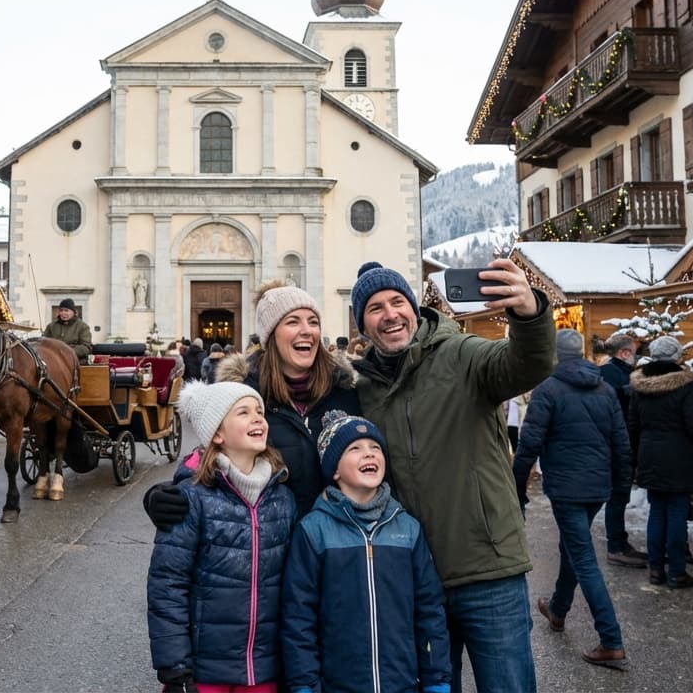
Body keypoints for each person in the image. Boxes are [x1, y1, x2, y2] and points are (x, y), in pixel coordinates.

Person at [349, 258, 555, 692]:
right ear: (362, 326)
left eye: (397, 301)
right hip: (417, 578)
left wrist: (529, 313)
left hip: (487, 568)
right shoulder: (363, 390)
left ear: (414, 308)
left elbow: (525, 363)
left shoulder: (461, 354)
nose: (390, 315)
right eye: (375, 308)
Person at [146, 281, 360, 523]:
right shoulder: (243, 394)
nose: (307, 330)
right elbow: (212, 456)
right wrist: (165, 494)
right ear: (270, 336)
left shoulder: (345, 390)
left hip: (335, 544)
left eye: (313, 321)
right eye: (293, 321)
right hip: (270, 546)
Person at [281, 412, 452, 693]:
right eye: (355, 448)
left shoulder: (408, 529)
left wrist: (437, 679)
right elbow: (299, 617)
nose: (369, 454)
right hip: (340, 684)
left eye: (375, 448)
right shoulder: (313, 531)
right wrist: (304, 684)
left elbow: (429, 609)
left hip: (402, 683)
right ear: (334, 469)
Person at [146, 381, 296, 693]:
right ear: (217, 433)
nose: (258, 418)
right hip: (206, 667)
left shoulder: (282, 497)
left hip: (262, 667)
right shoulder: (192, 498)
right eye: (243, 412)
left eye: (259, 411)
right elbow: (168, 584)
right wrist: (174, 666)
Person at [513, 329, 632, 672]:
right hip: (596, 487)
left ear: (555, 355)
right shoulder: (605, 389)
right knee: (572, 547)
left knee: (582, 556)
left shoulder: (547, 390)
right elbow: (621, 442)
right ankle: (559, 609)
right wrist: (621, 484)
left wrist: (517, 486)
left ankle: (611, 640)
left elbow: (529, 444)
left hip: (567, 488)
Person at [627, 334, 693, 590]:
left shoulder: (640, 386)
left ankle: (655, 568)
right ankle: (676, 571)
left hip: (650, 454)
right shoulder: (683, 385)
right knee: (676, 512)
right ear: (676, 356)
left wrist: (636, 454)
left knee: (657, 511)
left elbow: (633, 424)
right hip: (680, 455)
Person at [598, 332, 647, 567]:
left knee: (619, 495)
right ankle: (616, 546)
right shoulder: (613, 375)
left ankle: (619, 542)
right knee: (617, 495)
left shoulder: (614, 373)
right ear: (624, 352)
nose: (635, 357)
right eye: (634, 352)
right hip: (619, 442)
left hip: (619, 440)